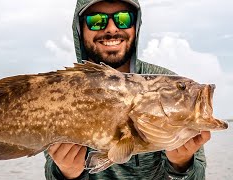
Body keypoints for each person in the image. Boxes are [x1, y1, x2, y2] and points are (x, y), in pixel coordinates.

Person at [44, 0, 210, 179]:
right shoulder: (60, 90)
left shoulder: (167, 83)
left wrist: (181, 164)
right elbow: (49, 171)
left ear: (136, 25)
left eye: (123, 19)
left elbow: (198, 175)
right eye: (96, 20)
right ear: (80, 29)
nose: (111, 28)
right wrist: (66, 174)